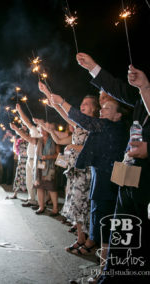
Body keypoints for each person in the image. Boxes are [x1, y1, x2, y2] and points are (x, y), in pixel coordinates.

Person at [76, 52, 149, 283]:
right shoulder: (140, 97)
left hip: (146, 179)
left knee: (137, 242)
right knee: (121, 235)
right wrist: (94, 67)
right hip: (129, 175)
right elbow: (119, 88)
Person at [50, 90, 129, 282]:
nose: (102, 110)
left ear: (118, 115)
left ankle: (103, 275)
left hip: (107, 184)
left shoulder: (112, 127)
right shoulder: (106, 126)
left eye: (108, 108)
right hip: (99, 180)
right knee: (100, 224)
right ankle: (102, 272)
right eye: (102, 107)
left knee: (105, 227)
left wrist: (62, 101)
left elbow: (82, 120)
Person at [38, 81, 97, 255]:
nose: (82, 106)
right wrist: (48, 94)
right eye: (82, 104)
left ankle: (89, 241)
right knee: (75, 205)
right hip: (73, 172)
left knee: (83, 205)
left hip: (85, 173)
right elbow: (64, 113)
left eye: (86, 104)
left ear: (94, 109)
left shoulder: (93, 125)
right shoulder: (79, 125)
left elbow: (92, 148)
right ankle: (79, 238)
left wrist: (74, 147)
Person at [15, 103, 42, 208]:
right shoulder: (35, 130)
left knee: (38, 182)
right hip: (29, 158)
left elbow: (27, 122)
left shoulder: (41, 133)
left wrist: (20, 111)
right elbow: (27, 122)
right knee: (29, 180)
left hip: (37, 160)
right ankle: (31, 199)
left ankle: (41, 203)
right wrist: (19, 111)